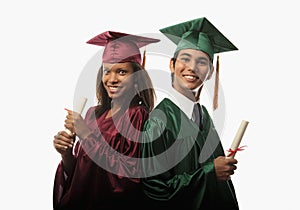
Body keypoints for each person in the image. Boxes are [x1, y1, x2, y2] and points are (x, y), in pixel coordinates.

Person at [52, 31, 159, 210]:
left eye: (122, 72)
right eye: (107, 71)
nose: (112, 79)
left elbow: (129, 179)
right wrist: (66, 153)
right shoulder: (93, 114)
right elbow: (81, 172)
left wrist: (86, 135)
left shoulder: (137, 116)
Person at [141, 17, 240, 209]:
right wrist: (210, 173)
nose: (192, 67)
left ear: (210, 72)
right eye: (185, 59)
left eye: (202, 62)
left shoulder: (203, 115)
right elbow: (154, 191)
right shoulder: (159, 121)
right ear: (172, 64)